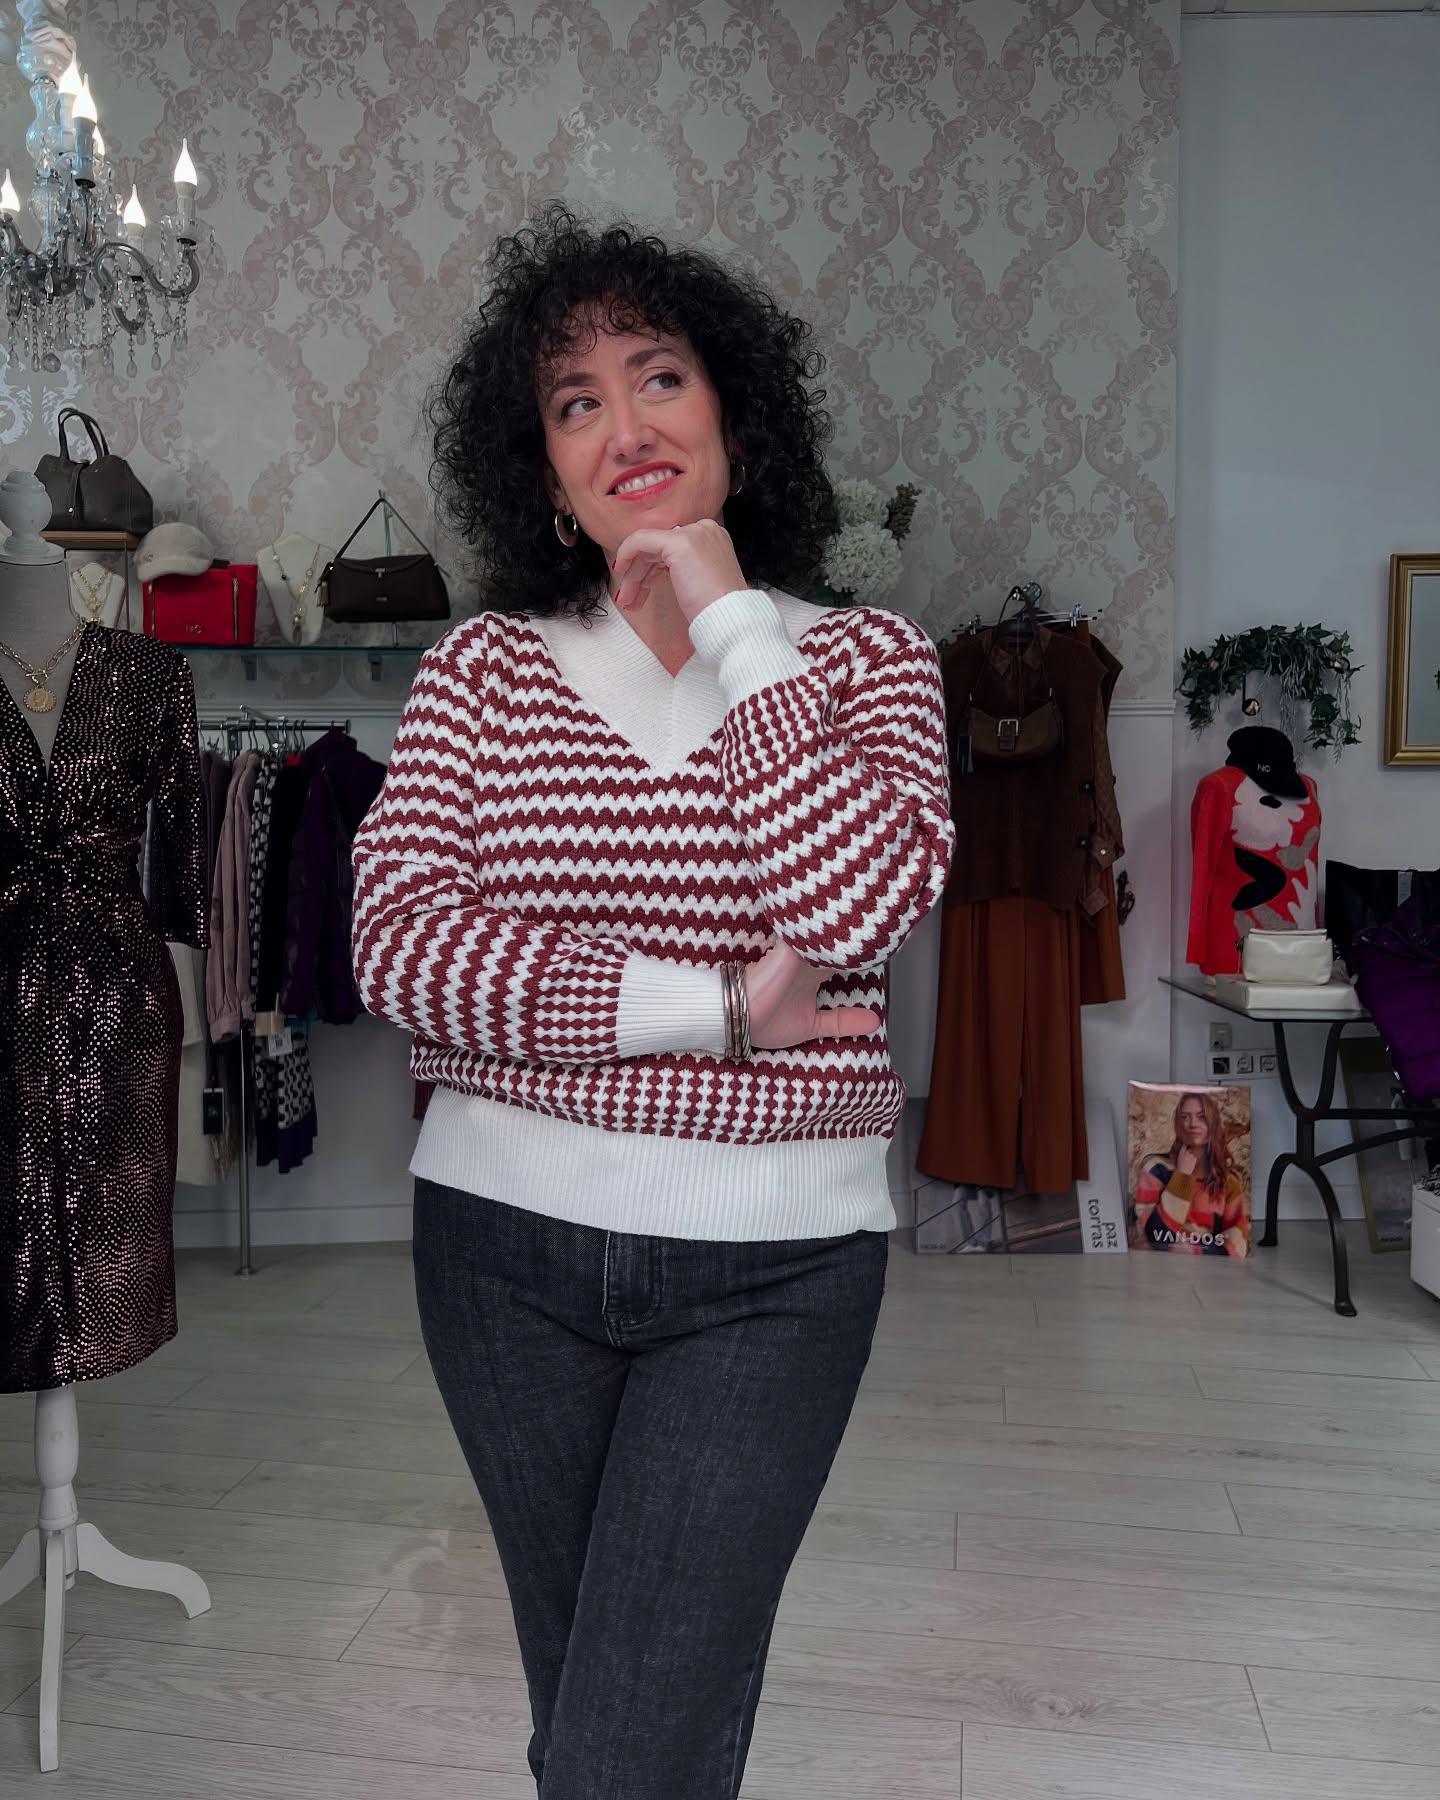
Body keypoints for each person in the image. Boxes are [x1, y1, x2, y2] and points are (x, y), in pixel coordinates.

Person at [349, 202, 955, 1800]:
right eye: (575, 402)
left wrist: (735, 620)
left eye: (659, 376)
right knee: (609, 1720)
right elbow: (402, 952)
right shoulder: (481, 672)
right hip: (500, 1253)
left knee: (625, 1742)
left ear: (734, 419)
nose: (623, 426)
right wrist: (721, 1010)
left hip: (777, 1270)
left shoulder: (869, 662)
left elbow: (860, 906)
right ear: (543, 473)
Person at [1132, 1090, 1249, 1256]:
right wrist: (1182, 1175)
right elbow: (1154, 1234)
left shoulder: (1227, 1182)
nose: (1193, 1124)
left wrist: (1186, 1249)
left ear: (1213, 1123)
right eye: (1185, 1117)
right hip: (1159, 1267)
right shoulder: (1156, 1169)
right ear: (1178, 1124)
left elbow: (1237, 1244)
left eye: (1201, 1117)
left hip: (1211, 1270)